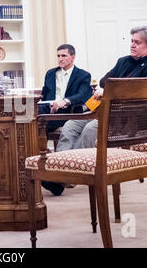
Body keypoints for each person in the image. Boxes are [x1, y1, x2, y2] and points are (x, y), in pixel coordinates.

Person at [56, 26, 147, 158]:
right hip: (104, 112)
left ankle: (74, 169)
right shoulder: (123, 61)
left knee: (91, 129)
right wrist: (111, 88)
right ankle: (62, 166)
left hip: (130, 119)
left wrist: (110, 91)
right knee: (70, 126)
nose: (132, 45)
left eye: (137, 42)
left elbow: (139, 94)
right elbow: (104, 81)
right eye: (132, 41)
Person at [39, 44, 92, 196]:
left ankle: (50, 171)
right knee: (30, 126)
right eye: (58, 56)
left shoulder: (83, 75)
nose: (60, 59)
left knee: (37, 128)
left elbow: (83, 95)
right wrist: (46, 103)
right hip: (48, 110)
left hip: (68, 112)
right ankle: (47, 165)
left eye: (64, 56)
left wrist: (65, 101)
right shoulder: (50, 73)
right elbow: (45, 93)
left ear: (73, 57)